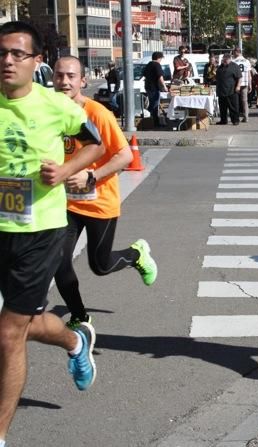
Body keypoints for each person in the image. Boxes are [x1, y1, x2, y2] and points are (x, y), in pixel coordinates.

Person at [0, 21, 105, 444]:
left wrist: (67, 169)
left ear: (36, 62)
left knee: (8, 333)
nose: (7, 61)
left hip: (38, 230)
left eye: (17, 54)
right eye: (1, 53)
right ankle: (75, 342)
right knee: (18, 325)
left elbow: (96, 143)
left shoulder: (57, 106)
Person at [52, 55, 158, 329]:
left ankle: (137, 254)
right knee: (59, 262)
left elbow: (124, 156)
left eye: (71, 76)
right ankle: (79, 315)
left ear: (82, 81)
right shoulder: (50, 112)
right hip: (66, 204)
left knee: (100, 266)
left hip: (99, 202)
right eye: (59, 75)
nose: (64, 81)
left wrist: (91, 176)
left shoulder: (98, 114)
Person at [142, 51, 168, 128]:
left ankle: (150, 120)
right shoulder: (157, 65)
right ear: (158, 58)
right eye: (161, 58)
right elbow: (160, 77)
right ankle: (153, 121)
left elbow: (144, 74)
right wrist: (164, 87)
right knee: (155, 105)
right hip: (154, 87)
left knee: (152, 103)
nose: (161, 60)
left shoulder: (148, 65)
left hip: (148, 87)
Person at [216, 52, 242, 125]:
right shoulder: (220, 67)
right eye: (224, 59)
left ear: (230, 59)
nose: (224, 61)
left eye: (226, 59)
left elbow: (239, 77)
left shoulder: (235, 66)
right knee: (222, 107)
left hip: (232, 90)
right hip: (221, 90)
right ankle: (223, 120)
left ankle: (235, 120)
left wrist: (238, 86)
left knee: (233, 107)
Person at [232, 47, 251, 122]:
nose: (233, 54)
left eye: (233, 52)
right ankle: (246, 116)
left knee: (235, 100)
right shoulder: (247, 61)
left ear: (237, 52)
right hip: (245, 82)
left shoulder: (233, 61)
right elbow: (249, 74)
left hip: (235, 83)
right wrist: (250, 85)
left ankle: (236, 117)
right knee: (244, 100)